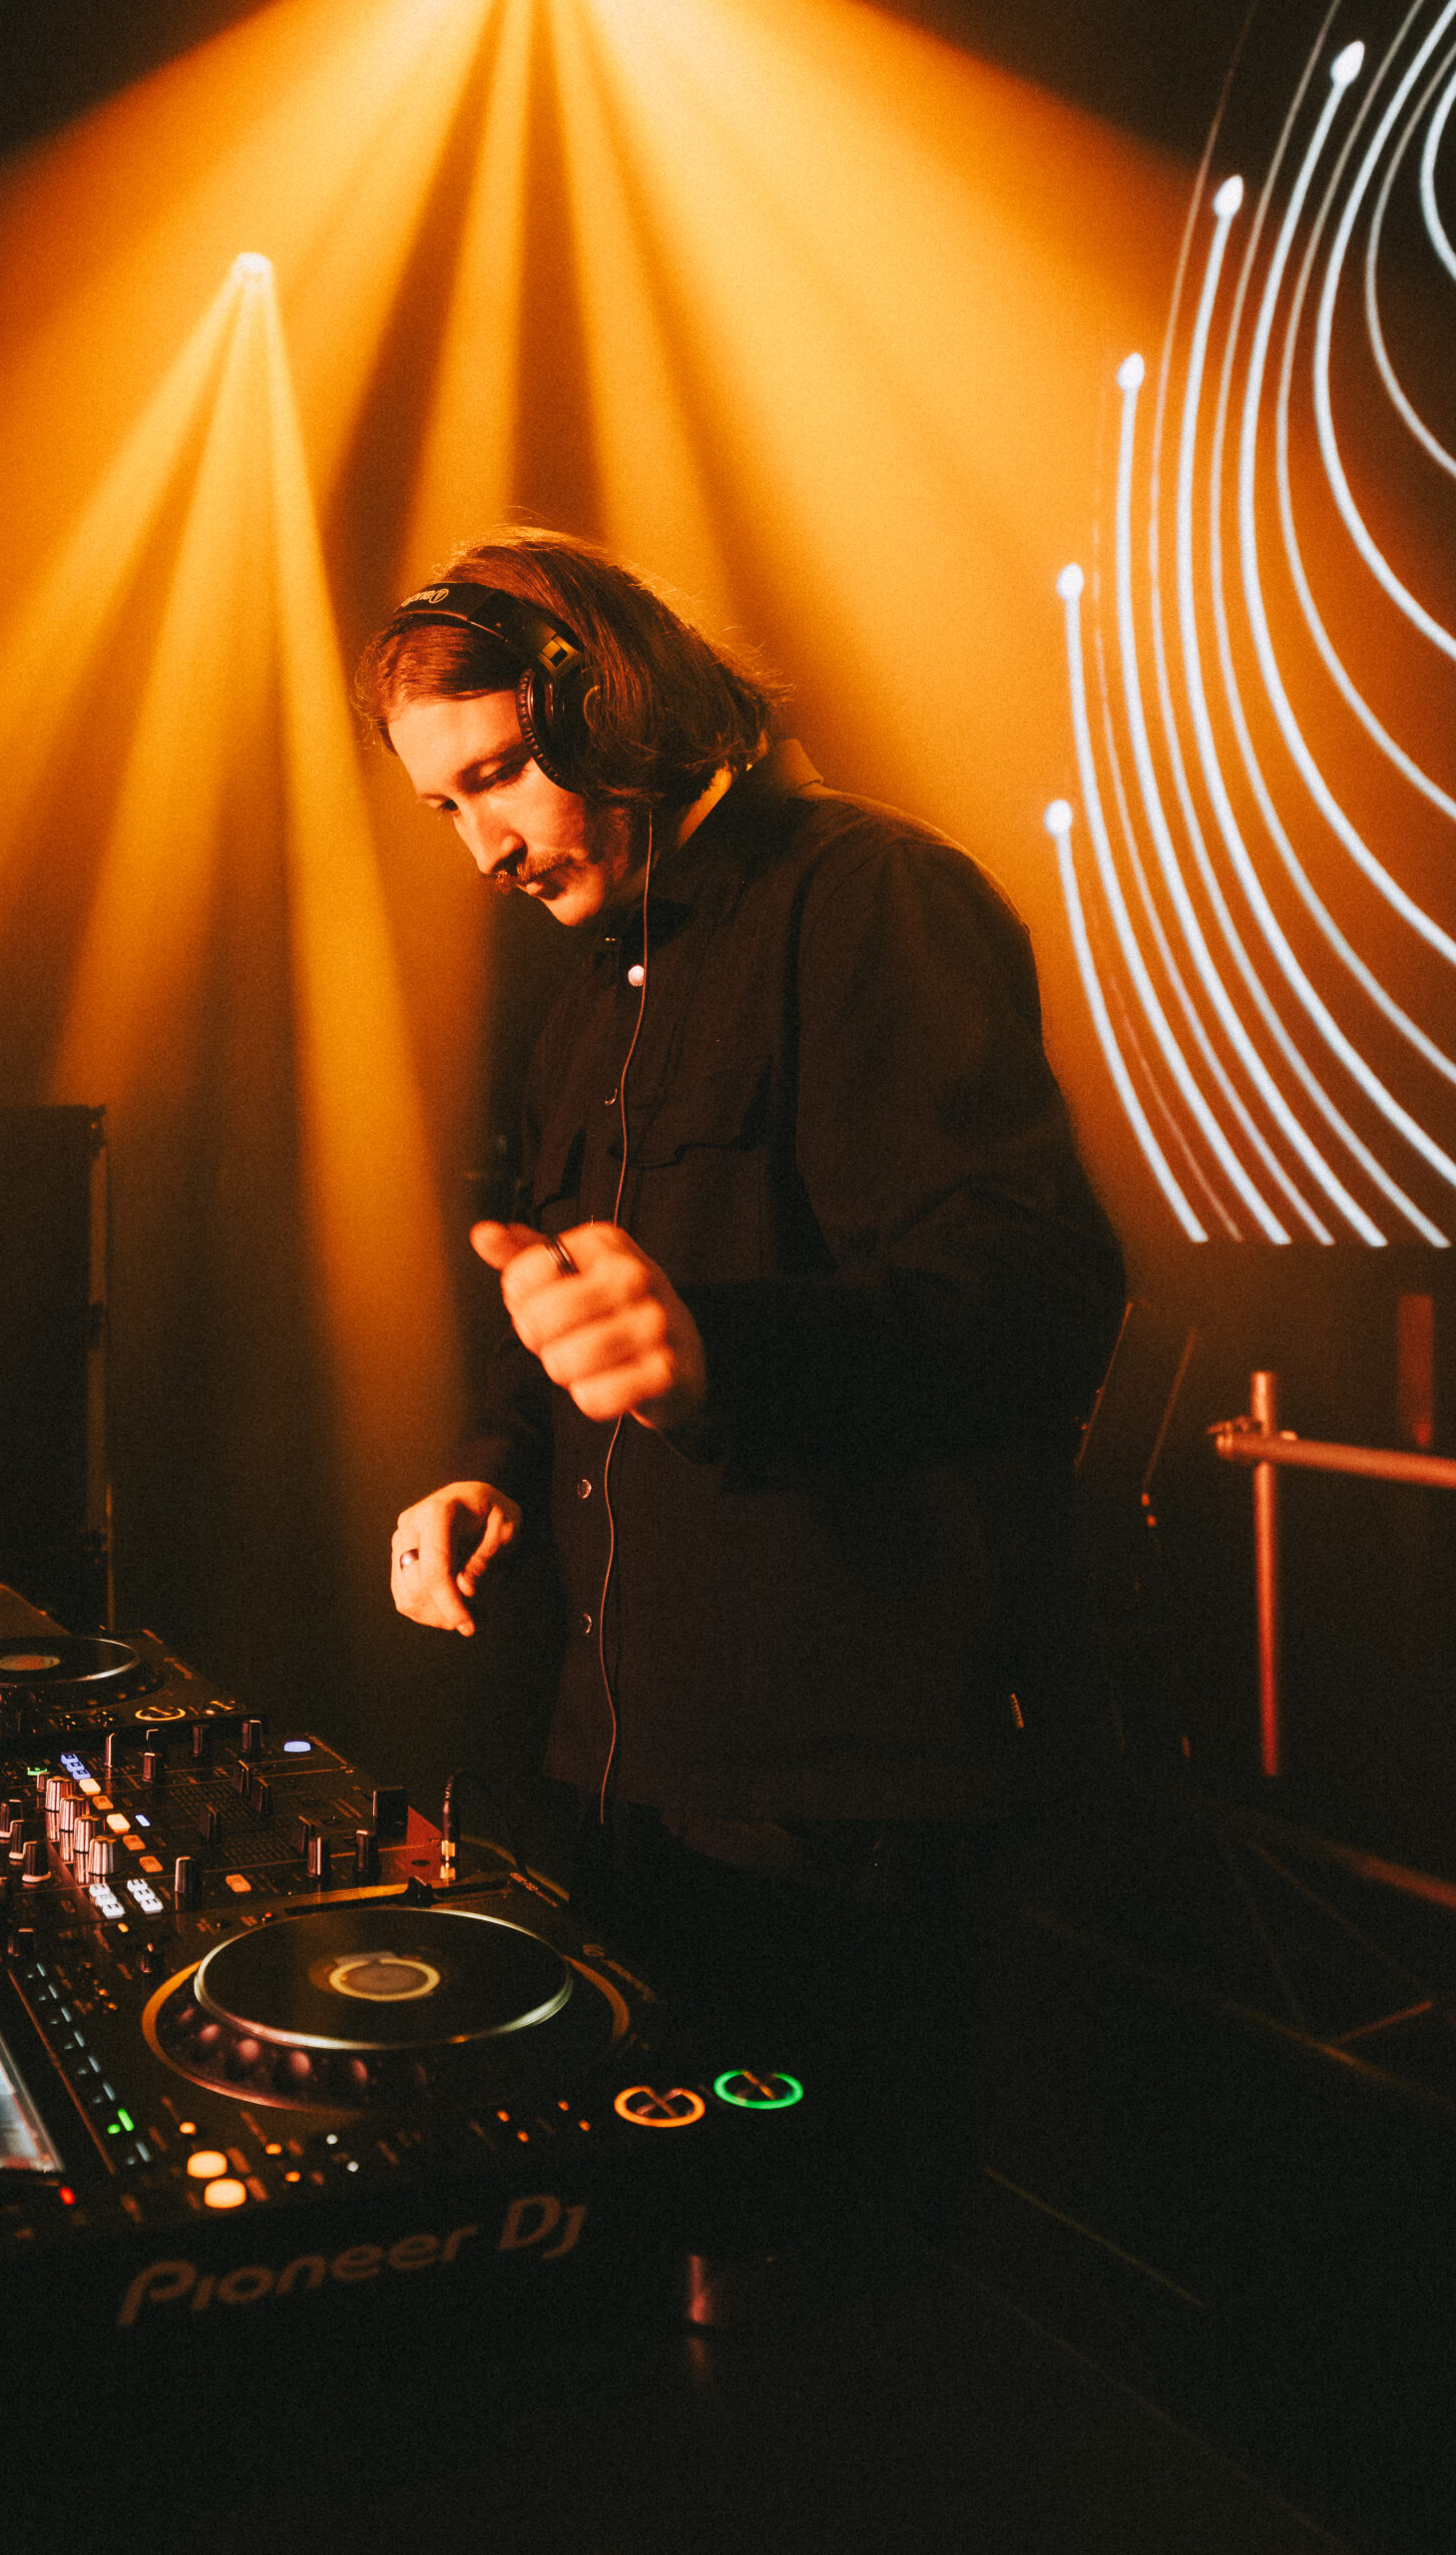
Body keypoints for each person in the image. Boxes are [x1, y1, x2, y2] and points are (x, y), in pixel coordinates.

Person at [356, 530, 1126, 2221]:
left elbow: (1033, 1293)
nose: (484, 848)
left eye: (501, 778)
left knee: (848, 2277)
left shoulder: (872, 901)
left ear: (613, 708)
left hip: (847, 1817)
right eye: (444, 807)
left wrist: (728, 1355)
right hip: (630, 1788)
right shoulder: (586, 1001)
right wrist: (488, 1464)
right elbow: (569, 1314)